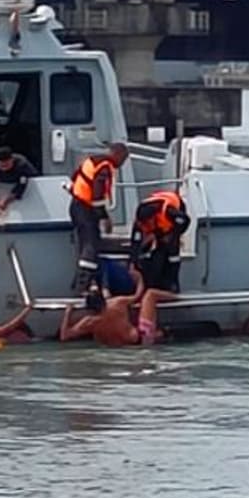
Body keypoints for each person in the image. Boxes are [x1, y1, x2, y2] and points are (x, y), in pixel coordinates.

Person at [67, 143, 129, 297]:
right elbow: (97, 193)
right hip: (85, 209)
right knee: (90, 245)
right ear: (117, 154)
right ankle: (83, 285)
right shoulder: (105, 167)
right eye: (124, 158)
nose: (123, 163)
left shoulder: (91, 161)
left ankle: (88, 283)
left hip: (77, 205)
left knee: (86, 245)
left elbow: (75, 178)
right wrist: (104, 217)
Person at [129, 191, 191, 322]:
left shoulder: (169, 212)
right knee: (150, 253)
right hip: (159, 226)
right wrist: (133, 262)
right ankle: (152, 281)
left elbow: (185, 221)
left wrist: (173, 234)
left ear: (152, 217)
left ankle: (172, 283)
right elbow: (135, 242)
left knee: (172, 252)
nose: (144, 227)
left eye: (147, 224)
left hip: (174, 220)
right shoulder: (141, 220)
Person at [57, 287, 163, 347]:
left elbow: (64, 336)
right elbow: (137, 295)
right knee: (151, 294)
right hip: (139, 339)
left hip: (119, 349)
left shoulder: (90, 322)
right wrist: (139, 278)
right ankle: (176, 297)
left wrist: (68, 312)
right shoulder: (117, 303)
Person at [0, 146, 37, 218]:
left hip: (20, 179)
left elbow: (21, 186)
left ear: (12, 160)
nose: (4, 168)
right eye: (1, 166)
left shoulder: (22, 164)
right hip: (3, 179)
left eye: (6, 165)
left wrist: (5, 201)